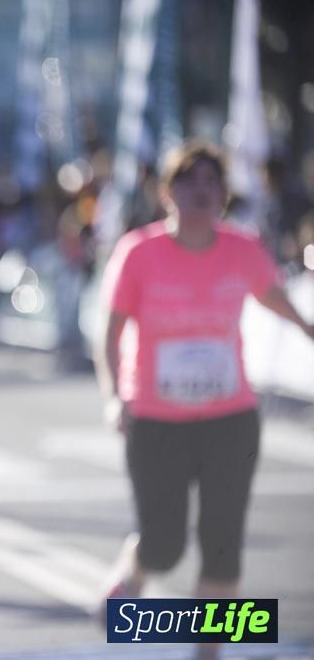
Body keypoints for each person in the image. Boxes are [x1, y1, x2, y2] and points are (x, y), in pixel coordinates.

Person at [96, 141, 314, 659]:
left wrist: (308, 328)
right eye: (188, 182)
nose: (201, 192)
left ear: (224, 195)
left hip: (229, 419)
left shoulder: (243, 249)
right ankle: (136, 566)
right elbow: (108, 334)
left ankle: (207, 653)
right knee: (164, 544)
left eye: (211, 183)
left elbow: (273, 296)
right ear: (167, 192)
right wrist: (112, 397)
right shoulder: (139, 252)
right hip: (155, 420)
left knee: (223, 542)